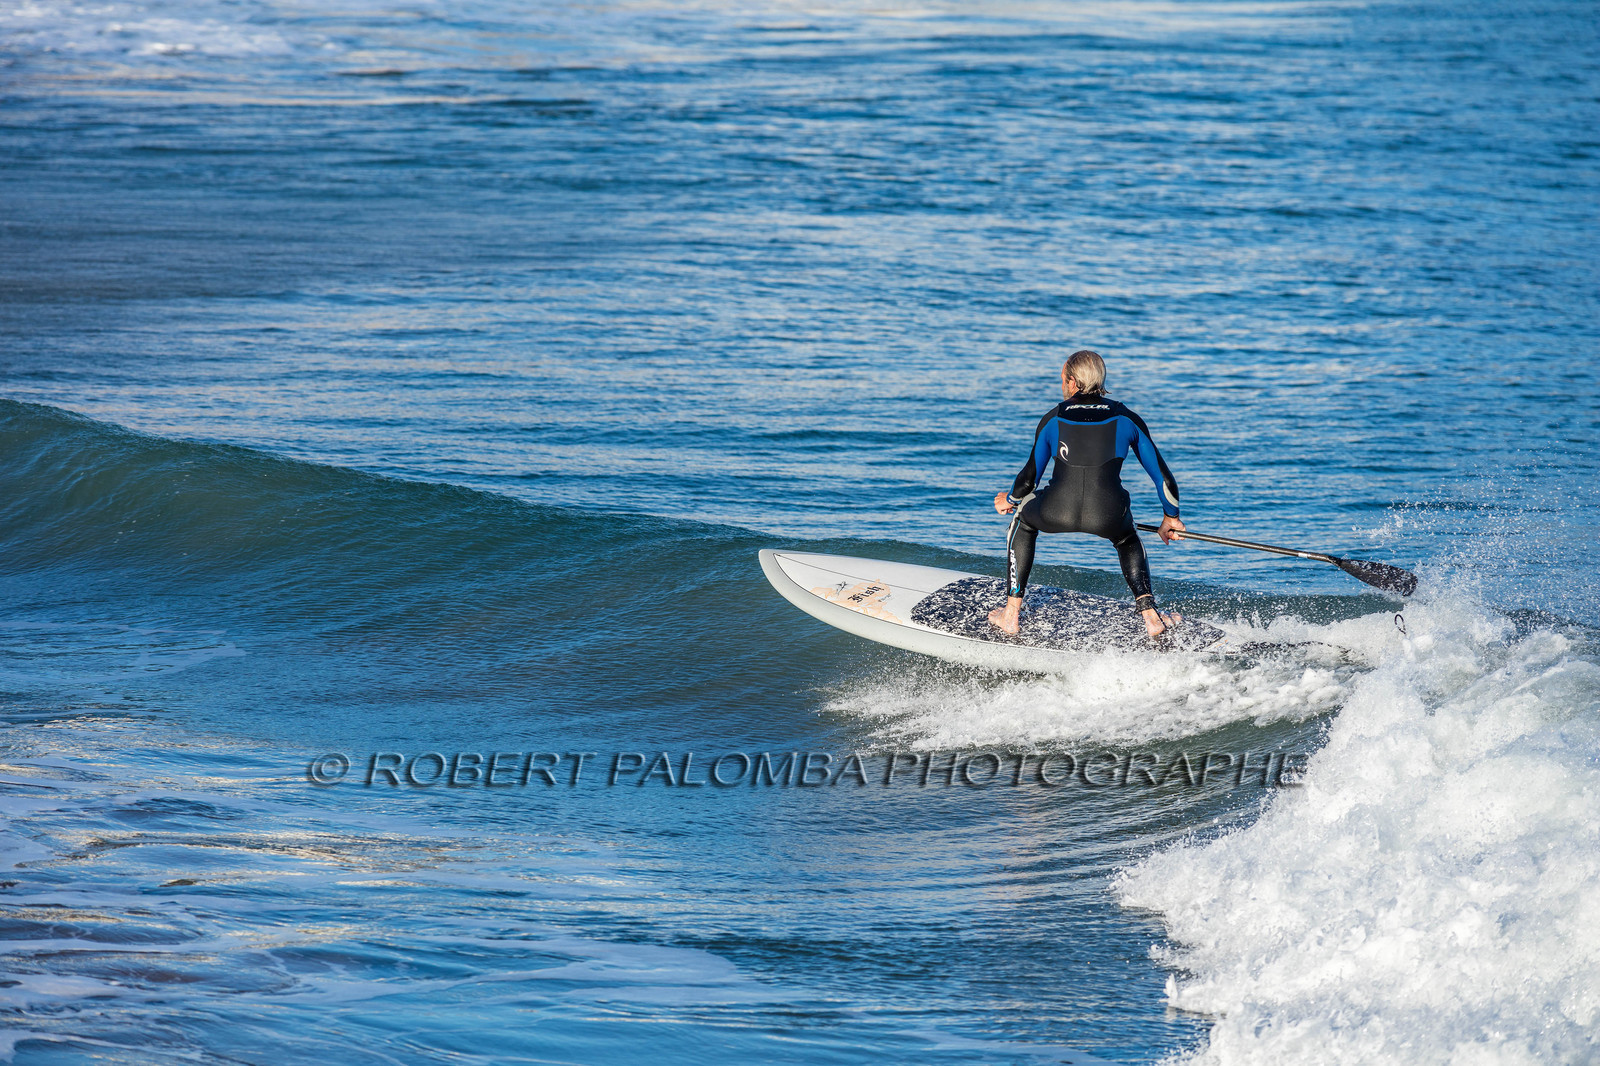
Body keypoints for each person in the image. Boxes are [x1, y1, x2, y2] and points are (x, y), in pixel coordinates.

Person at [990, 350, 1187, 639]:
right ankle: (1150, 617)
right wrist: (1171, 518)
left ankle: (1010, 615)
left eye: (1062, 379)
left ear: (1072, 382)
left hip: (1055, 510)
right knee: (1127, 538)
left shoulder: (1054, 418)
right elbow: (1164, 479)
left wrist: (1009, 500)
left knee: (1023, 518)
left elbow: (1029, 479)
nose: (1061, 385)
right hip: (1107, 515)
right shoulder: (1126, 418)